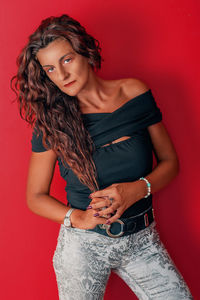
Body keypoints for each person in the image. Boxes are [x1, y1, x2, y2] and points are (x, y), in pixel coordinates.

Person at [11, 14, 193, 300]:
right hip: (83, 247)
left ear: (85, 51)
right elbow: (35, 196)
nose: (61, 75)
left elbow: (171, 163)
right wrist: (78, 218)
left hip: (142, 240)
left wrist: (135, 190)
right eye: (50, 69)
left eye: (67, 60)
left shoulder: (134, 92)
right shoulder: (51, 122)